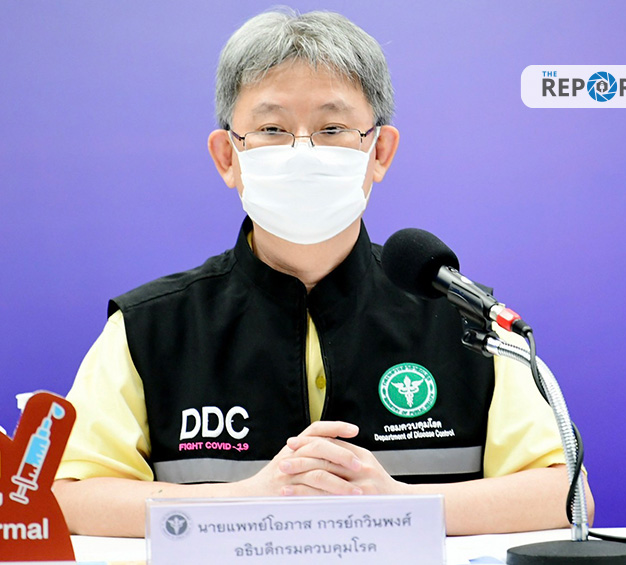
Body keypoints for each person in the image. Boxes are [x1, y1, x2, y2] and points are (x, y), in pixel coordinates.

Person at [53, 8, 593, 538]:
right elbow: (68, 496)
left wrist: (398, 505)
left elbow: (566, 494)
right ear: (227, 158)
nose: (302, 152)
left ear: (379, 151)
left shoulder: (465, 319)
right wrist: (248, 500)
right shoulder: (149, 328)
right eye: (271, 128)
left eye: (332, 127)